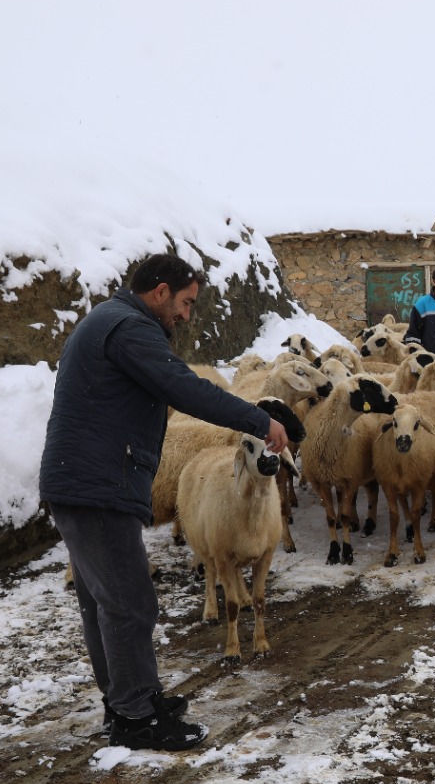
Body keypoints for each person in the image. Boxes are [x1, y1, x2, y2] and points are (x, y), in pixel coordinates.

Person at [39, 254, 290, 752]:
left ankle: (132, 701)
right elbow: (183, 387)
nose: (187, 315)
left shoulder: (109, 321)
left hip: (83, 480)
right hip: (97, 484)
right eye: (186, 303)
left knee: (104, 603)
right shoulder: (129, 329)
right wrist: (259, 421)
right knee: (130, 603)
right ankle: (136, 717)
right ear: (159, 292)